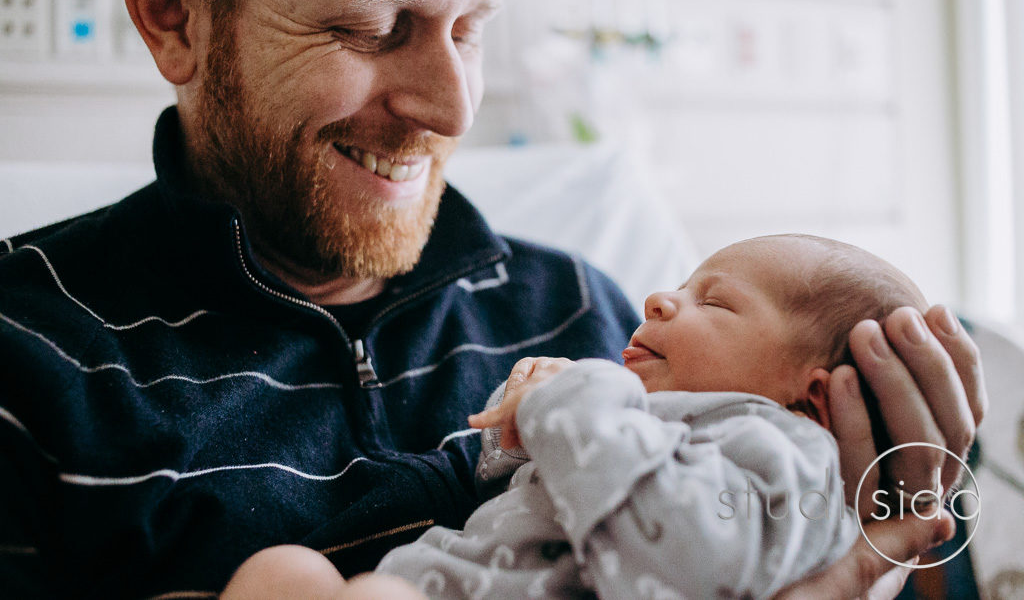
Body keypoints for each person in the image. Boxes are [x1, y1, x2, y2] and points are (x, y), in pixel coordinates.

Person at [0, 0, 984, 598]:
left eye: (470, 29)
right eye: (370, 27)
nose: (454, 106)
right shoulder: (27, 358)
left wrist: (874, 556)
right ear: (172, 10)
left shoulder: (592, 315)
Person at [219, 234, 955, 599]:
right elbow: (542, 502)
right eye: (679, 284)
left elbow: (683, 557)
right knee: (282, 575)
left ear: (813, 397)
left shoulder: (780, 451)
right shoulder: (654, 422)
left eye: (715, 301)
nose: (659, 299)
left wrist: (574, 399)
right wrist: (516, 440)